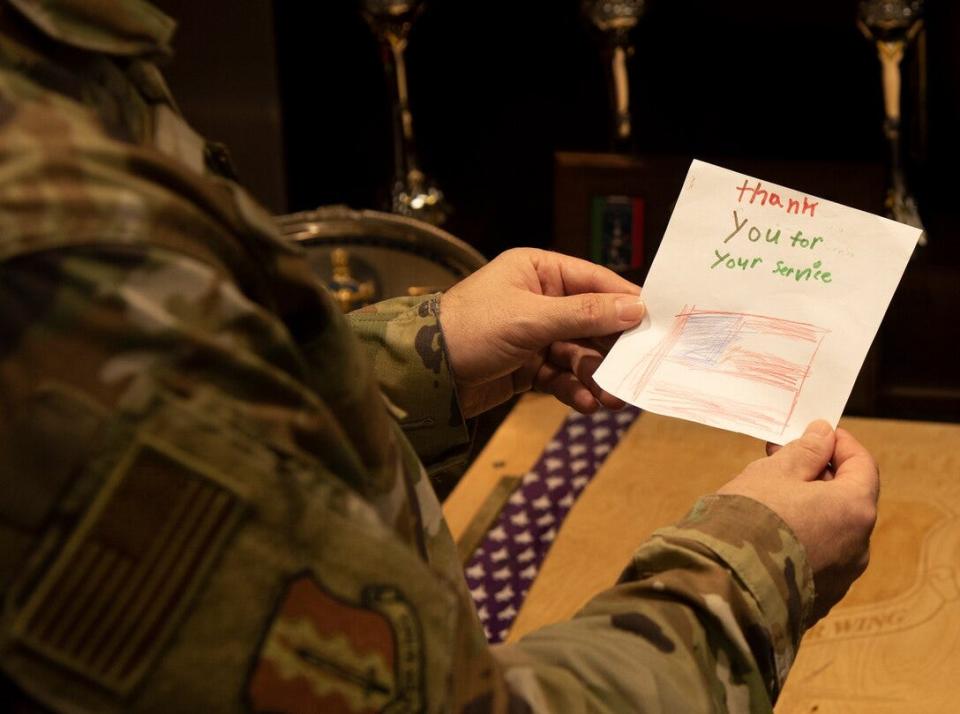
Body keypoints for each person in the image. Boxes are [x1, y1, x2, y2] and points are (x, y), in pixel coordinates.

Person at [0, 1, 878, 712]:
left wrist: (419, 355)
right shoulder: (50, 248)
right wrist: (756, 565)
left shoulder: (65, 59)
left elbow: (207, 387)